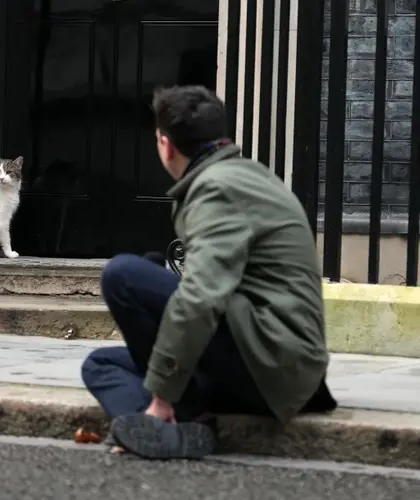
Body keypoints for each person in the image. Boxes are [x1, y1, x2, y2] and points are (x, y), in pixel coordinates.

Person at [81, 85, 338, 460]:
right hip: (271, 358)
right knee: (101, 364)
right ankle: (182, 427)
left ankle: (166, 416)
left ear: (166, 145)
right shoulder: (244, 175)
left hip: (272, 366)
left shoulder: (216, 189)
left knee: (122, 275)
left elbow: (201, 297)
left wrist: (165, 394)